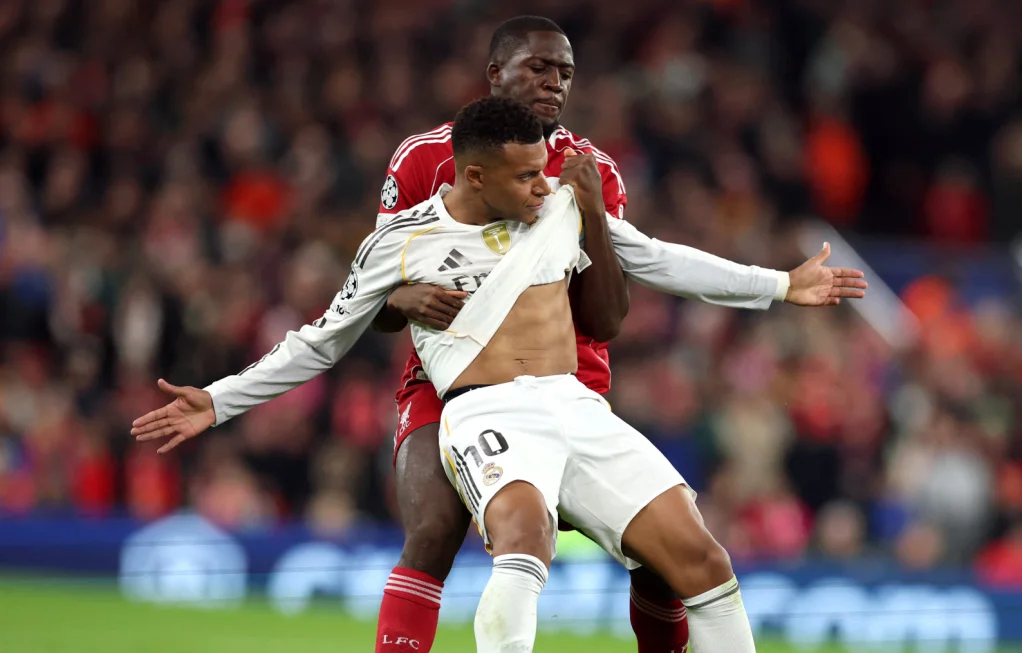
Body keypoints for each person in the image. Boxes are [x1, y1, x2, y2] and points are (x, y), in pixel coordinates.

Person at [129, 96, 845, 651]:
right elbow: (319, 341)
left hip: (575, 404)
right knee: (525, 536)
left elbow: (657, 258)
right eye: (526, 174)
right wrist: (218, 400)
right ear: (474, 175)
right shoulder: (400, 242)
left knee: (703, 559)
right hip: (485, 410)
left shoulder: (559, 208)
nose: (542, 184)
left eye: (542, 170)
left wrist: (781, 285)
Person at [367, 15, 865, 653]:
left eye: (565, 73)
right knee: (437, 531)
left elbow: (606, 316)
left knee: (669, 563)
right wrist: (400, 296)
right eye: (538, 68)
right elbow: (374, 288)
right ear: (495, 73)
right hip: (456, 385)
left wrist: (597, 216)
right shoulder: (423, 158)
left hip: (569, 382)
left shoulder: (591, 170)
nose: (554, 83)